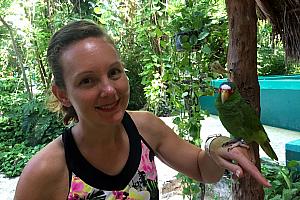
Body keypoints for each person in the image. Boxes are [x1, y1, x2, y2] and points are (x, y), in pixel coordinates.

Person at [14, 20, 271, 200]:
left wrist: (216, 147)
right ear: (62, 94)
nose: (109, 90)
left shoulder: (145, 127)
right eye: (87, 80)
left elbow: (203, 169)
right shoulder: (45, 171)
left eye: (114, 72)